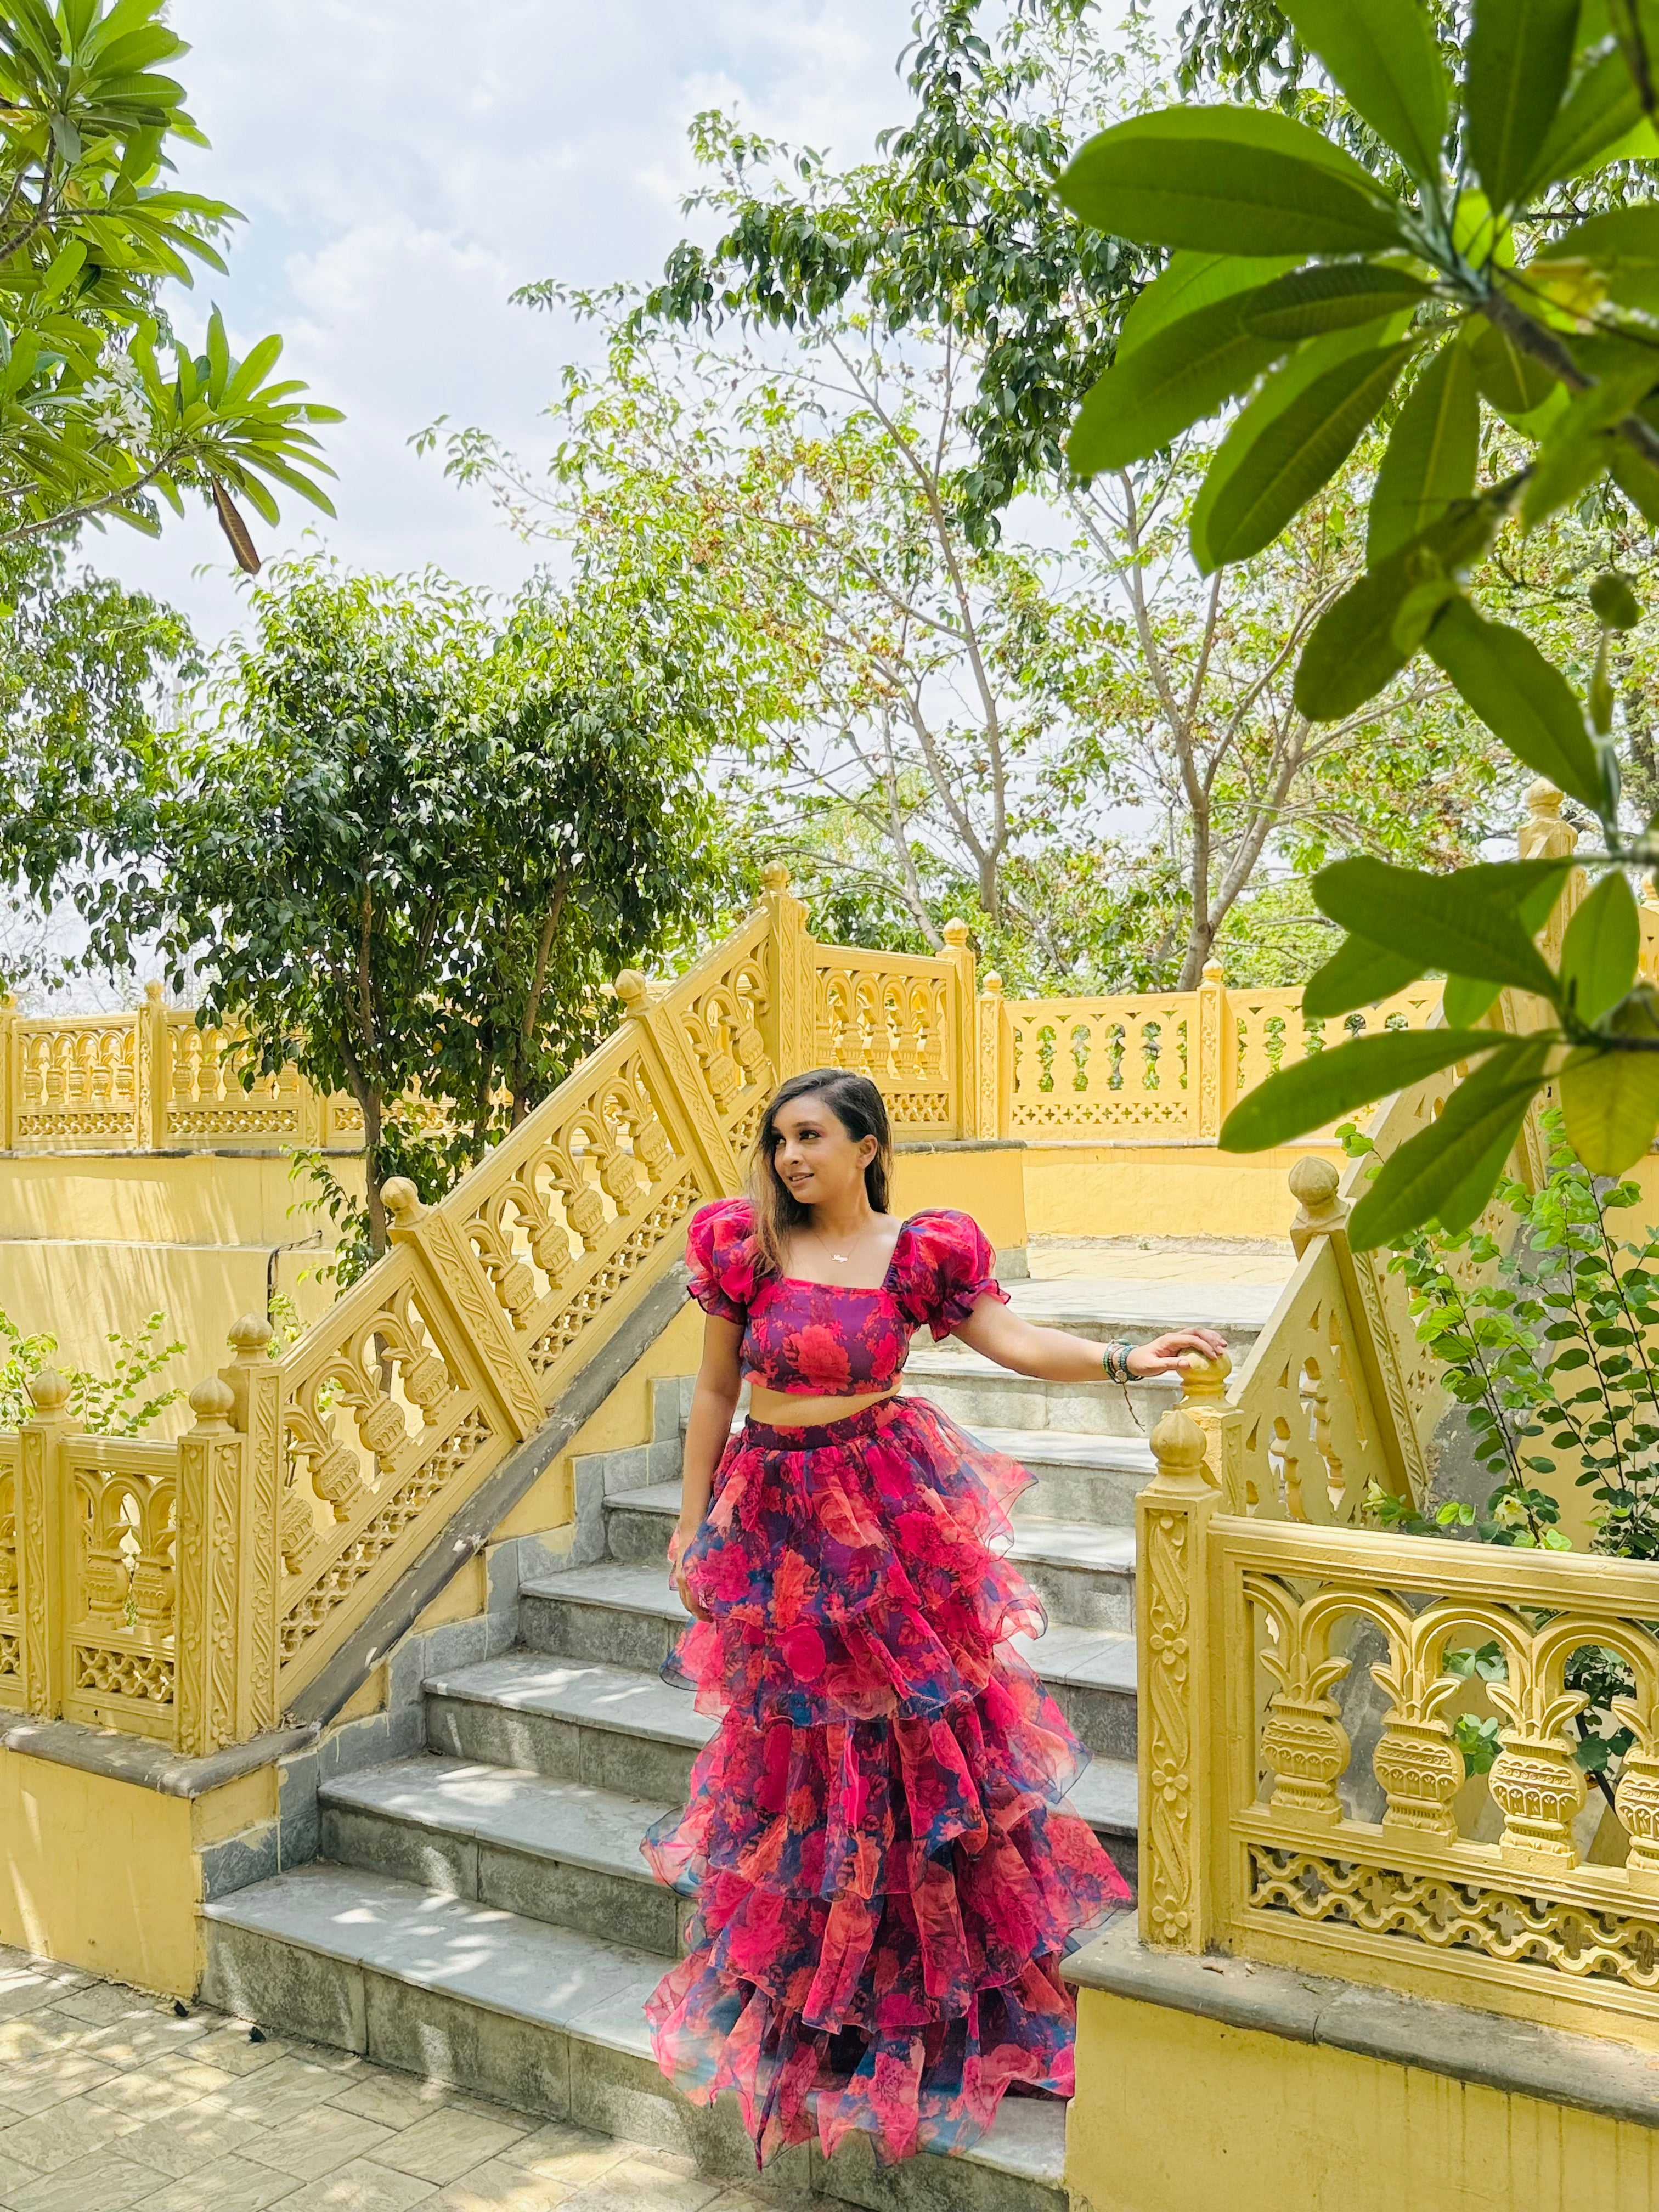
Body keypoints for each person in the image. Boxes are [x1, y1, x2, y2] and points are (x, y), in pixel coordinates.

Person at [641, 1067, 1227, 2170]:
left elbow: (1011, 1343)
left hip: (879, 1521)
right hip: (773, 1523)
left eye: (810, 1137)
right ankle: (826, 2002)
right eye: (777, 1142)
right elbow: (716, 1392)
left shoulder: (923, 1254)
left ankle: (924, 2005)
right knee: (800, 1767)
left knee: (917, 1767)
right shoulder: (743, 1248)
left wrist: (1121, 1358)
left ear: (868, 1145)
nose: (788, 1161)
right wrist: (689, 1526)